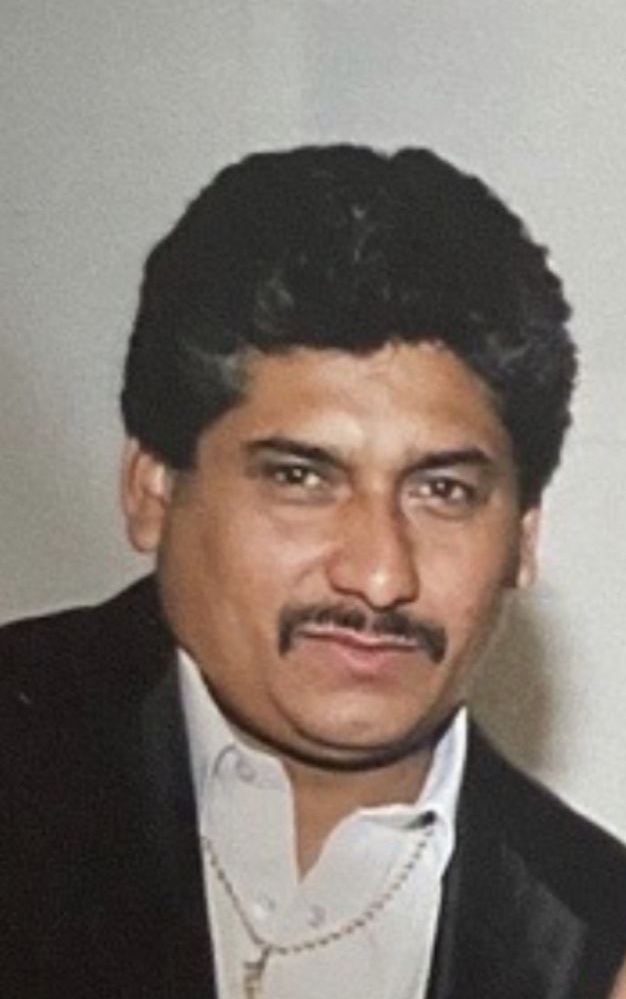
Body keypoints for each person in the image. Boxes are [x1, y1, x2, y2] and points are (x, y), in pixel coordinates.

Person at [1, 145, 625, 999]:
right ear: (152, 491)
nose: (379, 577)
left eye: (442, 491)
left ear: (522, 538)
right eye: (301, 478)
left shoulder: (595, 938)